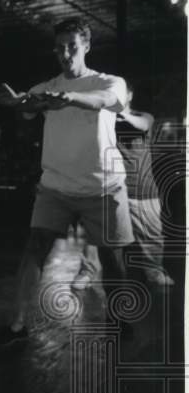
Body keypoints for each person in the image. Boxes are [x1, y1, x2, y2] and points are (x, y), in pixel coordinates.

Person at [0, 18, 133, 339]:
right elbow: (26, 104)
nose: (65, 53)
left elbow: (101, 102)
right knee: (35, 247)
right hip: (55, 185)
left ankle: (119, 317)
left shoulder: (110, 82)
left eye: (72, 46)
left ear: (86, 46)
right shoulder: (46, 88)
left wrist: (69, 98)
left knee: (112, 256)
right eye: (59, 48)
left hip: (103, 186)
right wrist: (15, 101)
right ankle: (17, 321)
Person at [72, 81, 174, 290]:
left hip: (142, 189)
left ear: (129, 95)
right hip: (110, 187)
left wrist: (121, 115)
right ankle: (87, 271)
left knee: (151, 236)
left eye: (119, 93)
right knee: (95, 232)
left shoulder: (143, 116)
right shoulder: (102, 119)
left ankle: (153, 271)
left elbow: (143, 125)